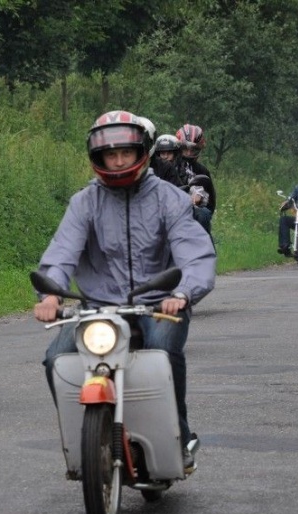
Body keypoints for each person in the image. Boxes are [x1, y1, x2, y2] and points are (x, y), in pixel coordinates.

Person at [34, 110, 216, 472]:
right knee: (56, 357)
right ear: (98, 158)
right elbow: (62, 252)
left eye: (125, 154)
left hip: (157, 303)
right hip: (97, 307)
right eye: (110, 155)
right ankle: (81, 440)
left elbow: (194, 253)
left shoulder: (170, 199)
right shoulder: (84, 202)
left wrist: (182, 292)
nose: (117, 161)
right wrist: (51, 294)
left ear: (141, 153)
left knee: (163, 350)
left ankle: (179, 437)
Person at [176, 124, 218, 234]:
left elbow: (211, 202)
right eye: (186, 149)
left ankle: (205, 248)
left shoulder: (202, 171)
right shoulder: (169, 165)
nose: (189, 153)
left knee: (203, 214)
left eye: (193, 150)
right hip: (170, 209)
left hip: (194, 213)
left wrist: (199, 200)